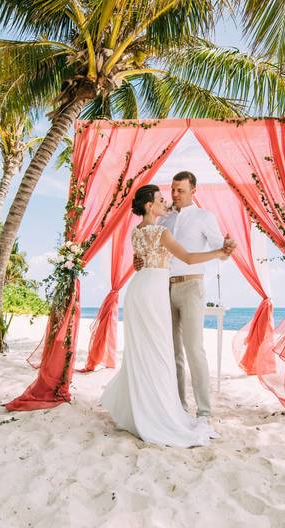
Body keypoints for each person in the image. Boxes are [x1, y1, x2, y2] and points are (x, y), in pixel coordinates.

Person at [100, 184, 230, 447]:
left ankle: (145, 408)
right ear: (149, 205)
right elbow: (190, 258)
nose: (165, 202)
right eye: (160, 199)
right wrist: (220, 252)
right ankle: (159, 411)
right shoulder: (161, 232)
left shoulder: (136, 232)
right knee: (159, 353)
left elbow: (140, 261)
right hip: (154, 292)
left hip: (139, 290)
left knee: (144, 352)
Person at [133, 171, 235, 432]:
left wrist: (226, 248)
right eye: (173, 190)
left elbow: (220, 253)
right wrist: (139, 261)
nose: (175, 194)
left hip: (191, 286)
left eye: (180, 190)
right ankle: (179, 405)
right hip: (162, 288)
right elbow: (150, 252)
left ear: (193, 191)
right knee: (173, 352)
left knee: (194, 349)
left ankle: (204, 410)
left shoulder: (204, 217)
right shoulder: (163, 219)